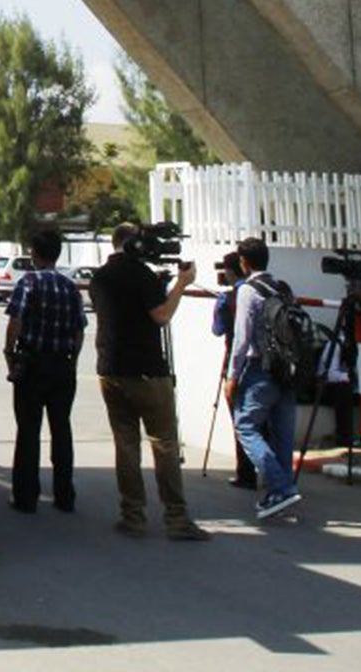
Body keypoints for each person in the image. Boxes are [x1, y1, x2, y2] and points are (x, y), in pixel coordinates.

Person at [86, 221, 209, 541]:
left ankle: (132, 516)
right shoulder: (141, 276)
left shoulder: (99, 277)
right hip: (147, 371)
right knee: (164, 443)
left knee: (125, 444)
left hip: (110, 369)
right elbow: (161, 316)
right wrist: (181, 283)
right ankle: (177, 519)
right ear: (134, 245)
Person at [4, 225, 85, 515]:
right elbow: (79, 331)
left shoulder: (28, 283)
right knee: (61, 428)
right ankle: (65, 494)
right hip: (62, 364)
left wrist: (9, 353)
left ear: (34, 254)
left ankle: (26, 495)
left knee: (28, 430)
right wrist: (72, 359)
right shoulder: (69, 287)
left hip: (33, 362)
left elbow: (16, 321)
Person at [224, 236, 300, 522]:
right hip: (287, 370)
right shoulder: (281, 288)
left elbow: (242, 338)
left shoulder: (248, 291)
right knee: (281, 435)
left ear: (244, 262)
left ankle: (279, 487)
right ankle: (282, 493)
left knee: (245, 426)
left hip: (261, 368)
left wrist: (233, 376)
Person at [210, 252, 257, 489]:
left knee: (241, 421)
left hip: (237, 364)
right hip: (265, 365)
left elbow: (217, 329)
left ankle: (246, 473)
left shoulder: (227, 299)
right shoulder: (262, 290)